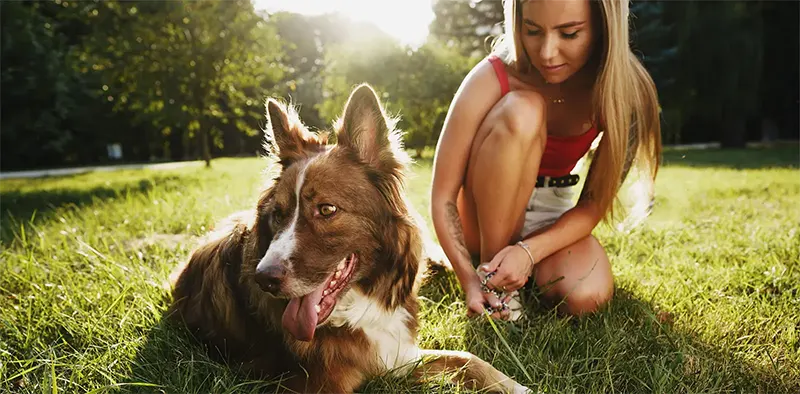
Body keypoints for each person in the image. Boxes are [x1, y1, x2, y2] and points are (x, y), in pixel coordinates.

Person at [430, 0, 662, 320]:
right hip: (482, 213)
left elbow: (593, 204)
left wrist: (529, 253)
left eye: (569, 34)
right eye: (533, 31)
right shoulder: (491, 75)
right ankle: (494, 280)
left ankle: (518, 269)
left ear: (604, 27)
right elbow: (443, 197)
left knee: (587, 295)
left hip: (553, 209)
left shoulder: (626, 92)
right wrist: (470, 281)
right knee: (524, 109)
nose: (547, 53)